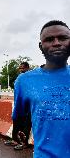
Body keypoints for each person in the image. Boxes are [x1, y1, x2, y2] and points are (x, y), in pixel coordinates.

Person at [12, 20, 70, 157]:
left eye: (63, 38)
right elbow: (19, 118)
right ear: (41, 46)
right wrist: (20, 132)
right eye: (49, 39)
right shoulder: (24, 81)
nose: (56, 43)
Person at [5, 62, 31, 150]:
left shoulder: (30, 77)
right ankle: (15, 140)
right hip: (18, 105)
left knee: (25, 125)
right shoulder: (20, 78)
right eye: (20, 68)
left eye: (22, 68)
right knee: (16, 123)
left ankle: (24, 143)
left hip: (27, 106)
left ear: (27, 68)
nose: (21, 70)